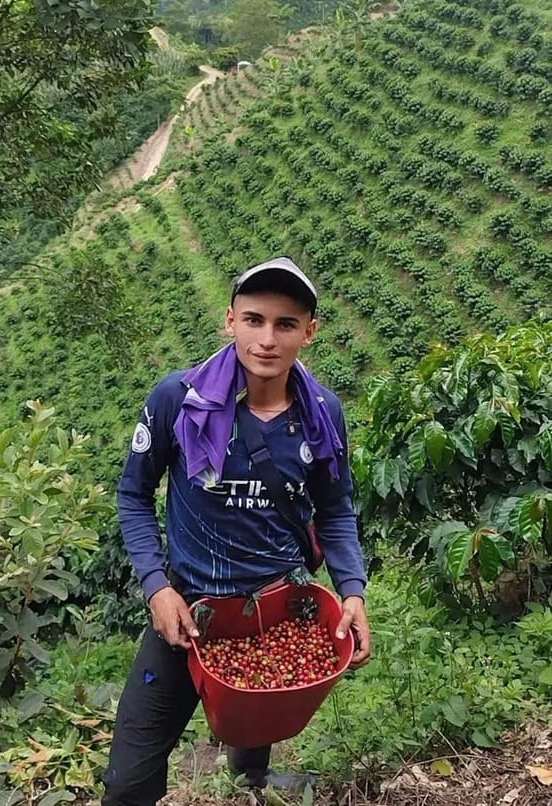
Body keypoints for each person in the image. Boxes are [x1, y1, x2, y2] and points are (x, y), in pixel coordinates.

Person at [102, 256, 371, 805]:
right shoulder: (178, 400)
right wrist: (157, 588)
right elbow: (133, 495)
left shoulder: (323, 413)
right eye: (253, 320)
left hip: (275, 610)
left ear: (309, 332)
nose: (267, 339)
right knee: (128, 780)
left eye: (285, 324)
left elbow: (335, 509)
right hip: (189, 608)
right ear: (230, 321)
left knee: (256, 722)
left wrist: (352, 592)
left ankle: (251, 778)